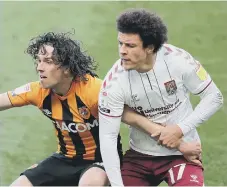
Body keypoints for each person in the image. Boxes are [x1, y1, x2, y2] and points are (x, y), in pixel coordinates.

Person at [0, 31, 202, 186]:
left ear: (67, 68)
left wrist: (181, 145)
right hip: (64, 159)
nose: (39, 67)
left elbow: (138, 120)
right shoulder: (37, 91)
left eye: (48, 61)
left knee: (90, 183)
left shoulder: (94, 90)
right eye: (38, 61)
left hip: (100, 161)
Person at [98, 8, 223, 186]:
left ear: (150, 47)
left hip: (182, 154)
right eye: (120, 44)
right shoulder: (113, 83)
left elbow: (214, 97)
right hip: (138, 157)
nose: (122, 51)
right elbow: (108, 137)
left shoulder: (179, 61)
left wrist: (179, 129)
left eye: (130, 46)